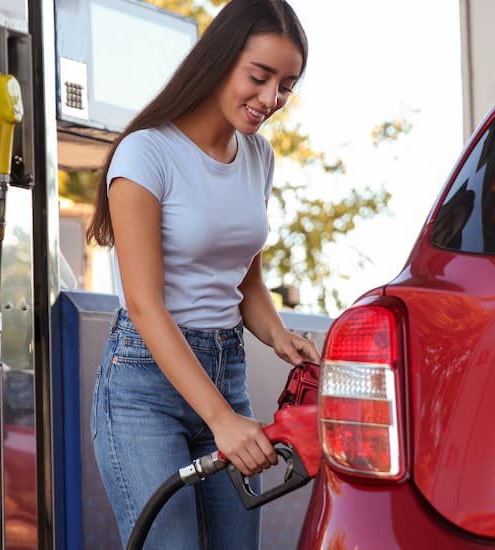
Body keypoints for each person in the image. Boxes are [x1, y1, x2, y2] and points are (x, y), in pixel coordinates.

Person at [86, 1, 320, 548]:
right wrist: (221, 420)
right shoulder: (146, 154)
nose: (270, 99)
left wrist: (280, 336)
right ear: (219, 60)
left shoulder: (258, 157)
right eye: (259, 77)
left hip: (226, 370)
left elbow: (246, 282)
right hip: (145, 389)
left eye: (285, 85)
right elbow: (144, 305)